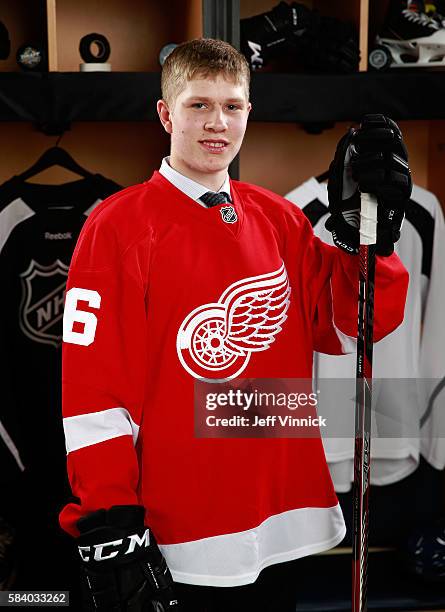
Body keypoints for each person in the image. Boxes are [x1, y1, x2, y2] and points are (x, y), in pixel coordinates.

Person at [60, 38, 411, 611]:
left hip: (282, 516)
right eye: (198, 105)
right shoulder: (117, 226)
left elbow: (351, 329)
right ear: (165, 113)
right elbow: (94, 393)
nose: (217, 122)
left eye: (233, 105)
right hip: (183, 526)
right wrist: (109, 517)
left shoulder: (279, 217)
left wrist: (368, 242)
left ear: (250, 111)